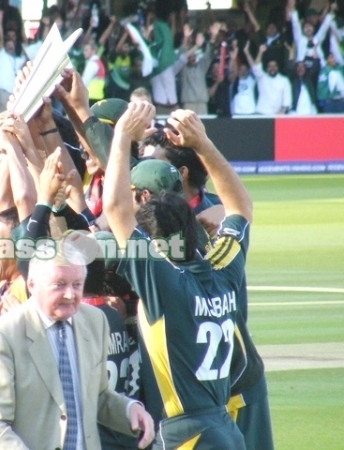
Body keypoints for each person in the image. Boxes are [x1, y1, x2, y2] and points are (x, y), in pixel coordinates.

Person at [103, 103, 250, 449]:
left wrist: (122, 134)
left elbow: (115, 209)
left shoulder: (163, 282)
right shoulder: (224, 265)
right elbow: (240, 207)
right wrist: (202, 144)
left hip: (187, 434)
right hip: (226, 427)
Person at [0, 249, 155, 450]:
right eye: (59, 285)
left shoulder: (95, 321)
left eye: (77, 285)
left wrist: (130, 410)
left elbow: (99, 395)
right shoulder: (1, 336)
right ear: (32, 284)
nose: (70, 294)